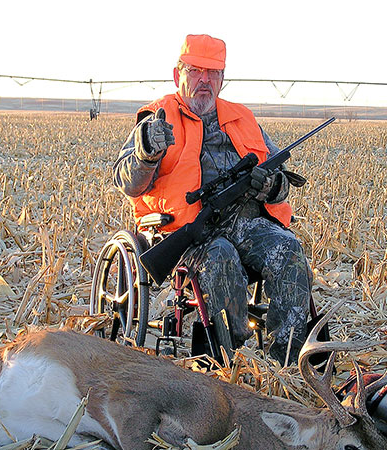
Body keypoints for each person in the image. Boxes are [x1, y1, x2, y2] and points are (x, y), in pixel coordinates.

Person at [113, 34, 312, 365]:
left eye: (213, 72)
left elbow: (282, 181)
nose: (204, 80)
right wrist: (146, 154)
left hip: (245, 222)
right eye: (195, 71)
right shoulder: (157, 119)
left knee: (289, 250)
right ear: (179, 76)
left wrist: (268, 186)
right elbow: (126, 181)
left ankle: (287, 365)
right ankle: (231, 362)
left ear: (222, 79)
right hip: (190, 228)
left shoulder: (243, 119)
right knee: (222, 256)